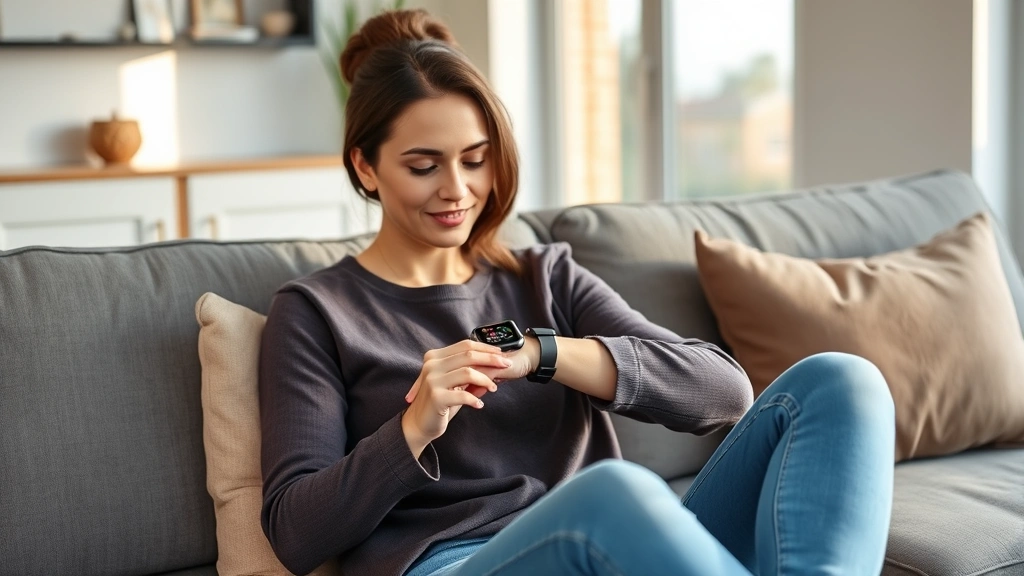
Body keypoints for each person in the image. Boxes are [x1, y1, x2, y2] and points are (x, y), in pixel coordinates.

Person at [258, 9, 895, 576]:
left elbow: (725, 393)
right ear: (365, 166)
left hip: (622, 548)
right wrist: (413, 428)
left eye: (476, 159)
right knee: (611, 494)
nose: (456, 189)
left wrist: (545, 353)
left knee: (841, 381)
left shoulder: (545, 276)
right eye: (424, 166)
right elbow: (295, 532)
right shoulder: (317, 312)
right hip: (461, 560)